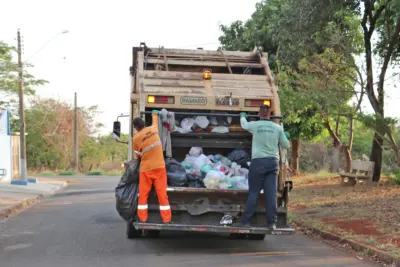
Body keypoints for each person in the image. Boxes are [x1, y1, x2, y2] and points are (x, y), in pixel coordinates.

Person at [234, 105, 290, 230]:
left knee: (254, 193)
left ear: (259, 114)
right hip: (272, 163)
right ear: (270, 115)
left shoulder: (255, 125)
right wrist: (286, 135)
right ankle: (272, 223)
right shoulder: (277, 128)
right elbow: (286, 145)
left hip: (258, 162)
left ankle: (246, 221)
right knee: (271, 194)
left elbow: (244, 125)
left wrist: (243, 116)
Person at [133, 110, 172, 224]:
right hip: (160, 167)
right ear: (144, 124)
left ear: (136, 128)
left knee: (143, 195)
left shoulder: (136, 138)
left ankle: (143, 219)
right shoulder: (154, 129)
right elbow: (155, 121)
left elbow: (138, 154)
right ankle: (166, 220)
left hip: (146, 169)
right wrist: (154, 113)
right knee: (162, 195)